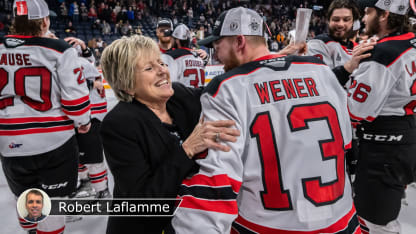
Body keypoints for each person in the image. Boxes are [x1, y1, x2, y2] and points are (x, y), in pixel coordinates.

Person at [172, 7, 360, 233]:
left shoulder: (227, 88)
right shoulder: (321, 70)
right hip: (343, 222)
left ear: (239, 41)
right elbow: (346, 143)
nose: (217, 55)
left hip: (265, 225)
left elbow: (217, 181)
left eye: (217, 45)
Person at [99, 35, 240, 234]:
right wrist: (187, 150)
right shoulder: (118, 124)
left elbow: (223, 92)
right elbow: (144, 204)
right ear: (127, 85)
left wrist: (266, 60)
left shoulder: (179, 96)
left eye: (161, 63)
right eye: (149, 68)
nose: (162, 71)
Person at [0, 0, 91, 233]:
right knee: (52, 208)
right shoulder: (59, 49)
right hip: (54, 142)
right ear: (45, 21)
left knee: (25, 200)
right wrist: (83, 122)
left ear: (15, 20)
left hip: (10, 143)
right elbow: (75, 100)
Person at [348, 1, 416, 233]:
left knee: (375, 222)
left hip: (383, 145)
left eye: (368, 12)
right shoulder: (410, 42)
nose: (364, 19)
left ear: (385, 14)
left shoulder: (383, 52)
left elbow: (356, 110)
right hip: (406, 136)